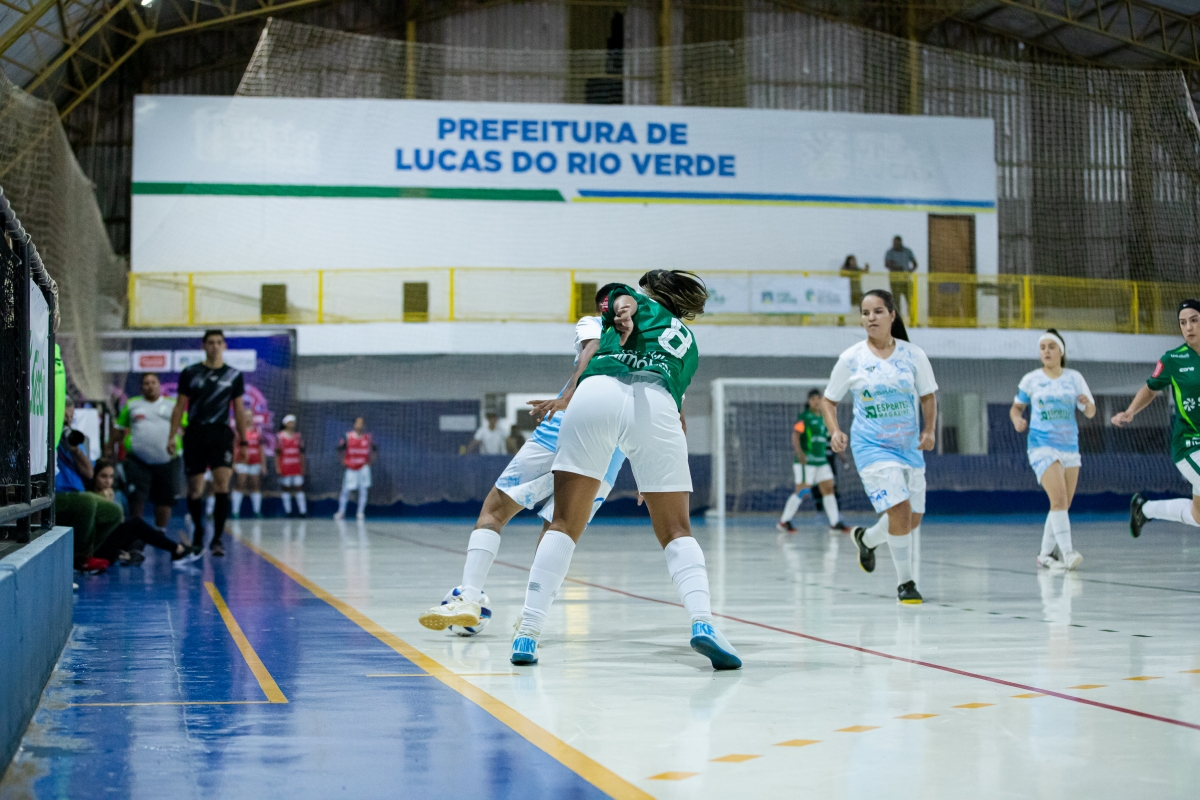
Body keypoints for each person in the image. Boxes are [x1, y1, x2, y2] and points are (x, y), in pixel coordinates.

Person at [508, 270, 740, 671]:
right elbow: (677, 412)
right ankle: (703, 622)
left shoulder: (633, 300)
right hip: (655, 405)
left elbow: (615, 299)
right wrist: (654, 469)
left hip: (595, 394)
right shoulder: (688, 343)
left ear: (651, 293)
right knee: (676, 530)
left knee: (563, 524)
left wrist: (624, 311)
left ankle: (528, 631)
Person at [418, 285, 627, 633]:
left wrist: (569, 393)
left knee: (493, 512)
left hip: (563, 428)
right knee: (559, 533)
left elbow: (591, 350)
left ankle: (470, 596)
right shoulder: (653, 348)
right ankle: (531, 619)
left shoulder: (593, 323)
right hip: (611, 452)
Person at [824, 289, 937, 605]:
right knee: (899, 511)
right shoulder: (852, 359)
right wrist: (835, 431)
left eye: (877, 311)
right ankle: (906, 583)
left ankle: (867, 538)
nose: (870, 318)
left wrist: (929, 430)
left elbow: (928, 396)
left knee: (911, 520)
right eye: (865, 313)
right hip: (872, 447)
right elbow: (829, 402)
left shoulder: (914, 355)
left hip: (909, 447)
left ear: (892, 315)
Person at [1009, 330, 1095, 569]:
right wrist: (1017, 420)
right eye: (1042, 347)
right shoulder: (1031, 379)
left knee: (1062, 505)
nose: (1046, 351)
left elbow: (1090, 412)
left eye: (1051, 346)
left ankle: (1045, 555)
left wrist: (1087, 405)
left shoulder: (1074, 378)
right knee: (1058, 500)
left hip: (1070, 447)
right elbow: (1016, 408)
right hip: (1041, 446)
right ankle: (1067, 553)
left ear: (1061, 351)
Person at [1118, 299, 1200, 537]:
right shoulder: (1173, 359)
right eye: (1183, 323)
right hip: (1190, 444)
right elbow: (1151, 388)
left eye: (1194, 320)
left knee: (1198, 515)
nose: (1188, 327)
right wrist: (1130, 411)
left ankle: (1144, 509)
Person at [168, 330, 247, 558]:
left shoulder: (234, 375)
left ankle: (218, 538)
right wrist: (171, 436)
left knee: (222, 485)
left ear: (224, 346)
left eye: (218, 342)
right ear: (203, 346)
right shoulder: (190, 372)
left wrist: (244, 441)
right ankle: (198, 531)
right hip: (195, 433)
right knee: (195, 489)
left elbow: (239, 410)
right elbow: (179, 406)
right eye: (210, 342)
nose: (214, 346)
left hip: (221, 435)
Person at [53, 398, 123, 572]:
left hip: (76, 494)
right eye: (64, 418)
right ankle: (81, 558)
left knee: (113, 511)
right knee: (87, 502)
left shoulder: (74, 441)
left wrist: (75, 450)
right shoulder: (49, 439)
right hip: (56, 494)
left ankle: (81, 556)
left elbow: (89, 473)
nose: (67, 422)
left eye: (70, 418)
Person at [113, 372, 185, 533]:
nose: (150, 386)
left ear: (159, 385)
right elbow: (118, 429)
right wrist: (109, 447)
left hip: (168, 461)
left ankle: (160, 532)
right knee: (136, 499)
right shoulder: (132, 405)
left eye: (153, 382)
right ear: (141, 387)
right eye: (146, 383)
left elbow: (186, 428)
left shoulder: (173, 405)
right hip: (138, 461)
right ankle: (135, 534)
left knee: (164, 500)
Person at [91, 460, 192, 565]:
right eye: (103, 476)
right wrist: (106, 503)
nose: (108, 481)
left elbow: (119, 523)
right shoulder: (90, 498)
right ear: (94, 476)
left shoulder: (116, 494)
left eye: (111, 477)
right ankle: (177, 549)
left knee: (139, 534)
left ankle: (129, 554)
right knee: (136, 524)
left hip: (108, 540)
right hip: (96, 547)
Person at [778, 389, 848, 533]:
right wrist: (800, 453)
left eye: (818, 399)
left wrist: (841, 454)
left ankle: (835, 523)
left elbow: (831, 437)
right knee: (802, 491)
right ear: (809, 401)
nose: (816, 402)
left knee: (829, 488)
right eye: (813, 399)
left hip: (821, 461)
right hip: (807, 461)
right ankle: (784, 521)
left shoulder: (825, 418)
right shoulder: (804, 417)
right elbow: (796, 435)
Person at [335, 417, 376, 520]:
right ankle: (341, 511)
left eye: (362, 423)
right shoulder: (348, 436)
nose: (360, 425)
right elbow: (339, 449)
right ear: (354, 424)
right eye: (358, 423)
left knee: (363, 490)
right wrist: (343, 460)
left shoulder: (368, 437)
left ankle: (360, 512)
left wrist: (371, 461)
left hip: (363, 467)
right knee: (345, 490)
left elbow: (375, 449)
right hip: (351, 467)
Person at [231, 407, 263, 519]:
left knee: (255, 485)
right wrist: (233, 463)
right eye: (246, 416)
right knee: (240, 484)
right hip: (241, 462)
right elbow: (233, 447)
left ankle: (257, 511)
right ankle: (235, 512)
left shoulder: (257, 431)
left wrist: (263, 464)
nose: (248, 418)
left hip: (255, 462)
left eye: (250, 415)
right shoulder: (238, 431)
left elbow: (261, 449)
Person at [275, 414, 307, 517]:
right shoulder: (280, 437)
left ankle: (303, 511)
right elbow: (277, 454)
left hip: (296, 466)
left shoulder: (298, 437)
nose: (292, 424)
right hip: (285, 467)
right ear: (285, 424)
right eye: (290, 422)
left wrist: (303, 466)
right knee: (286, 488)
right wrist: (278, 467)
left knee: (299, 488)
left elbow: (301, 453)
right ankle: (288, 511)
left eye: (293, 422)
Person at [884, 235, 918, 325]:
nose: (895, 245)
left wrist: (910, 270)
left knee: (910, 300)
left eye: (897, 243)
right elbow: (886, 264)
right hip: (895, 281)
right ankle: (897, 322)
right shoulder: (889, 252)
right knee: (896, 302)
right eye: (894, 243)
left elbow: (915, 263)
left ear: (901, 242)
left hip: (906, 280)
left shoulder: (907, 251)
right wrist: (896, 267)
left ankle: (912, 320)